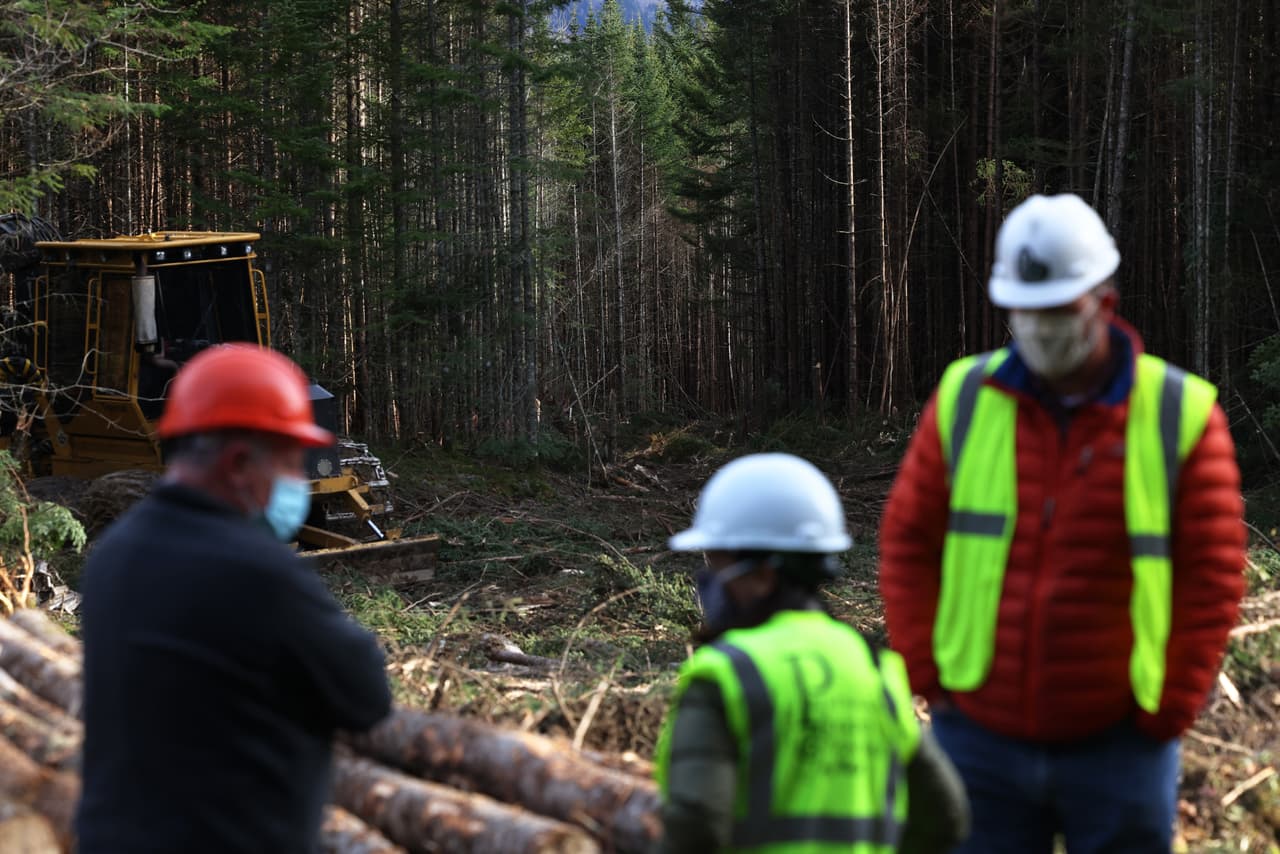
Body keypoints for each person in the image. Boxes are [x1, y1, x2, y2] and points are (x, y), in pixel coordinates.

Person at [879, 193, 1246, 853]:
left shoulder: (1178, 415)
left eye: (1058, 311)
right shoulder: (964, 400)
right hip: (978, 739)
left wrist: (1171, 708)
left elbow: (1213, 576)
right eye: (1027, 311)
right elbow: (908, 542)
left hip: (1119, 746)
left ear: (1103, 302)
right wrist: (927, 674)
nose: (1041, 327)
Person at [75, 343, 393, 854]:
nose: (297, 482)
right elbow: (365, 695)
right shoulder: (254, 570)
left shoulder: (114, 553)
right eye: (291, 463)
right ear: (242, 461)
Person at [654, 452, 970, 854]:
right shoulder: (875, 669)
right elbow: (945, 817)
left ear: (763, 574)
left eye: (717, 565)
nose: (708, 583)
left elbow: (695, 827)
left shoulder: (726, 675)